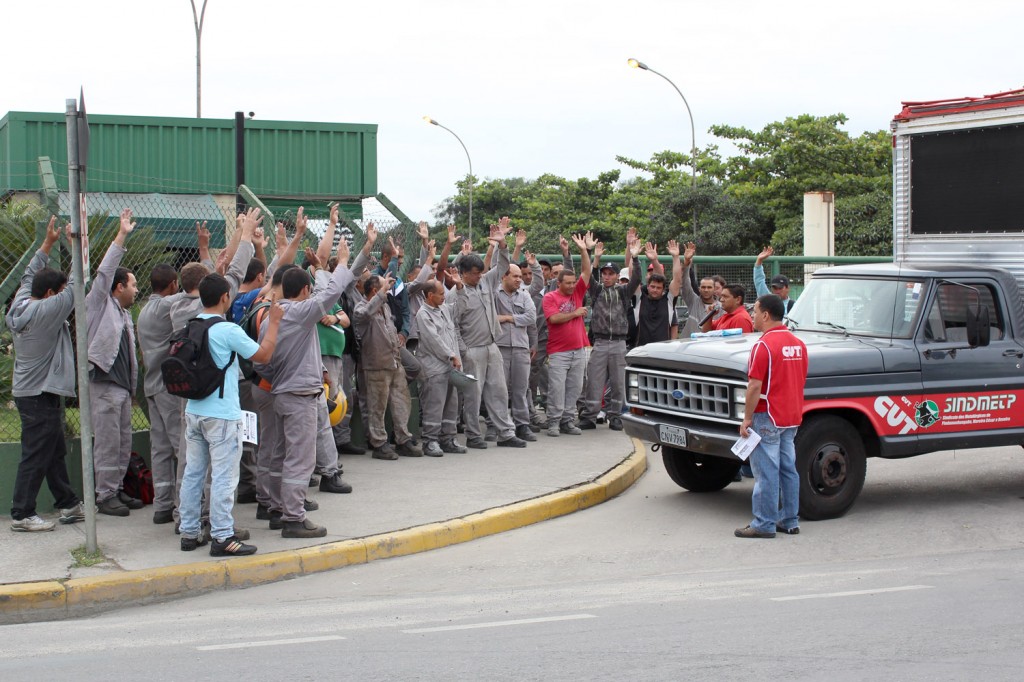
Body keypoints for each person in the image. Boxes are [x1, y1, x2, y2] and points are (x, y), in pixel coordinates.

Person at [255, 223, 355, 538]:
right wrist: (337, 265)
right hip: (299, 397)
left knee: (279, 454)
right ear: (303, 291)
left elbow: (263, 364)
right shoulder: (299, 313)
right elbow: (332, 294)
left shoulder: (271, 317)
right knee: (300, 459)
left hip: (280, 393)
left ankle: (275, 507)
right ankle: (294, 518)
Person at [178, 273, 283, 556]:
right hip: (222, 415)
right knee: (224, 476)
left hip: (194, 410)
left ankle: (189, 532)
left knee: (194, 473)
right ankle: (222, 536)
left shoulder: (191, 325)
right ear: (225, 297)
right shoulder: (227, 330)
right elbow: (262, 356)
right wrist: (273, 324)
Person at [6, 217, 85, 532]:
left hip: (34, 392)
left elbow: (28, 275)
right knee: (36, 453)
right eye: (60, 291)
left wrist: (49, 244)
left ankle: (67, 504)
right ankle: (22, 513)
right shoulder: (46, 312)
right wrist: (76, 242)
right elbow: (80, 282)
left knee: (52, 448)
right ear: (52, 293)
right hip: (38, 394)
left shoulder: (21, 304)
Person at [735, 294, 809, 539]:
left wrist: (747, 418)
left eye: (755, 311)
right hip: (791, 415)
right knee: (788, 469)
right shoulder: (798, 344)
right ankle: (789, 520)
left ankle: (764, 523)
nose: (752, 315)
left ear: (766, 315)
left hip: (767, 416)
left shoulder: (763, 345)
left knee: (766, 473)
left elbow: (754, 385)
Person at [450, 218, 526, 449]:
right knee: (474, 395)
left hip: (492, 346)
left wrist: (502, 245)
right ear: (462, 273)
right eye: (474, 273)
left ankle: (506, 433)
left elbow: (502, 268)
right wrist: (462, 352)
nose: (478, 276)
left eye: (480, 272)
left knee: (499, 391)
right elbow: (453, 326)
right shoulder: (456, 294)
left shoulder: (485, 282)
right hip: (471, 350)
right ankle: (473, 435)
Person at [86, 208, 141, 517]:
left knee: (122, 441)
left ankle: (117, 489)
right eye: (132, 285)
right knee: (107, 442)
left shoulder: (123, 314)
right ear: (119, 287)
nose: (136, 290)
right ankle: (105, 495)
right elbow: (105, 271)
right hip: (104, 385)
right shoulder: (99, 303)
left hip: (121, 387)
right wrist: (121, 235)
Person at [355, 269, 422, 460]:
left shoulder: (385, 307)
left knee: (402, 402)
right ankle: (379, 444)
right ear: (375, 289)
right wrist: (381, 294)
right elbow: (366, 314)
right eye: (385, 286)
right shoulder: (361, 308)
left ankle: (403, 440)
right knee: (377, 406)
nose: (389, 288)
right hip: (376, 364)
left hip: (393, 362)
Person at [136, 263, 183, 524]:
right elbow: (196, 294)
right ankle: (182, 507)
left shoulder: (144, 310)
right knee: (181, 445)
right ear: (173, 284)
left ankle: (162, 504)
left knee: (161, 447)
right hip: (168, 387)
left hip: (153, 384)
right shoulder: (168, 306)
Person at [579, 240, 641, 431]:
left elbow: (637, 279)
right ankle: (589, 416)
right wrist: (588, 253)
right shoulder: (597, 291)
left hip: (619, 343)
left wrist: (636, 257)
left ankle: (615, 416)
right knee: (594, 381)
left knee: (618, 382)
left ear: (616, 276)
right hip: (600, 342)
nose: (606, 277)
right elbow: (588, 275)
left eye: (610, 274)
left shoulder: (623, 292)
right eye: (604, 274)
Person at [542, 232, 593, 437]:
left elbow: (587, 272)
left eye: (574, 282)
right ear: (559, 283)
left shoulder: (579, 292)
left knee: (575, 387)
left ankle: (568, 421)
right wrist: (575, 313)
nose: (573, 286)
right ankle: (553, 422)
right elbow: (554, 319)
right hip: (558, 351)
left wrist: (583, 250)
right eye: (568, 283)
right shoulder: (550, 297)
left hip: (579, 349)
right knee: (556, 388)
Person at [415, 279, 465, 456]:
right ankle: (430, 441)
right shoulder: (423, 314)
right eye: (442, 293)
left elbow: (460, 308)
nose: (444, 296)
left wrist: (459, 287)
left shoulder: (444, 309)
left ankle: (448, 438)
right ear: (430, 295)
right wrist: (451, 355)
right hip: (434, 368)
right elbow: (433, 340)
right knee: (434, 405)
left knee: (452, 404)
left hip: (450, 367)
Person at [494, 258, 540, 442]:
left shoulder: (524, 294)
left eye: (520, 277)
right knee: (500, 390)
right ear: (504, 276)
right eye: (515, 276)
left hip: (521, 346)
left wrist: (506, 318)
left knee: (521, 389)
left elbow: (531, 317)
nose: (519, 280)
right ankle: (498, 426)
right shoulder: (494, 293)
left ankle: (522, 425)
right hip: (501, 346)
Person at [632, 241, 683, 347]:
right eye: (652, 286)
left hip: (663, 351)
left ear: (663, 289)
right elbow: (633, 278)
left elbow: (677, 280)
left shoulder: (668, 300)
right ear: (648, 285)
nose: (655, 290)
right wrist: (634, 256)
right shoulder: (639, 299)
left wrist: (676, 257)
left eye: (658, 287)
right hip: (641, 350)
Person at [753, 246, 795, 314]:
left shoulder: (794, 306)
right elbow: (759, 281)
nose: (777, 291)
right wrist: (759, 260)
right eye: (775, 288)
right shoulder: (768, 300)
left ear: (787, 288)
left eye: (780, 288)